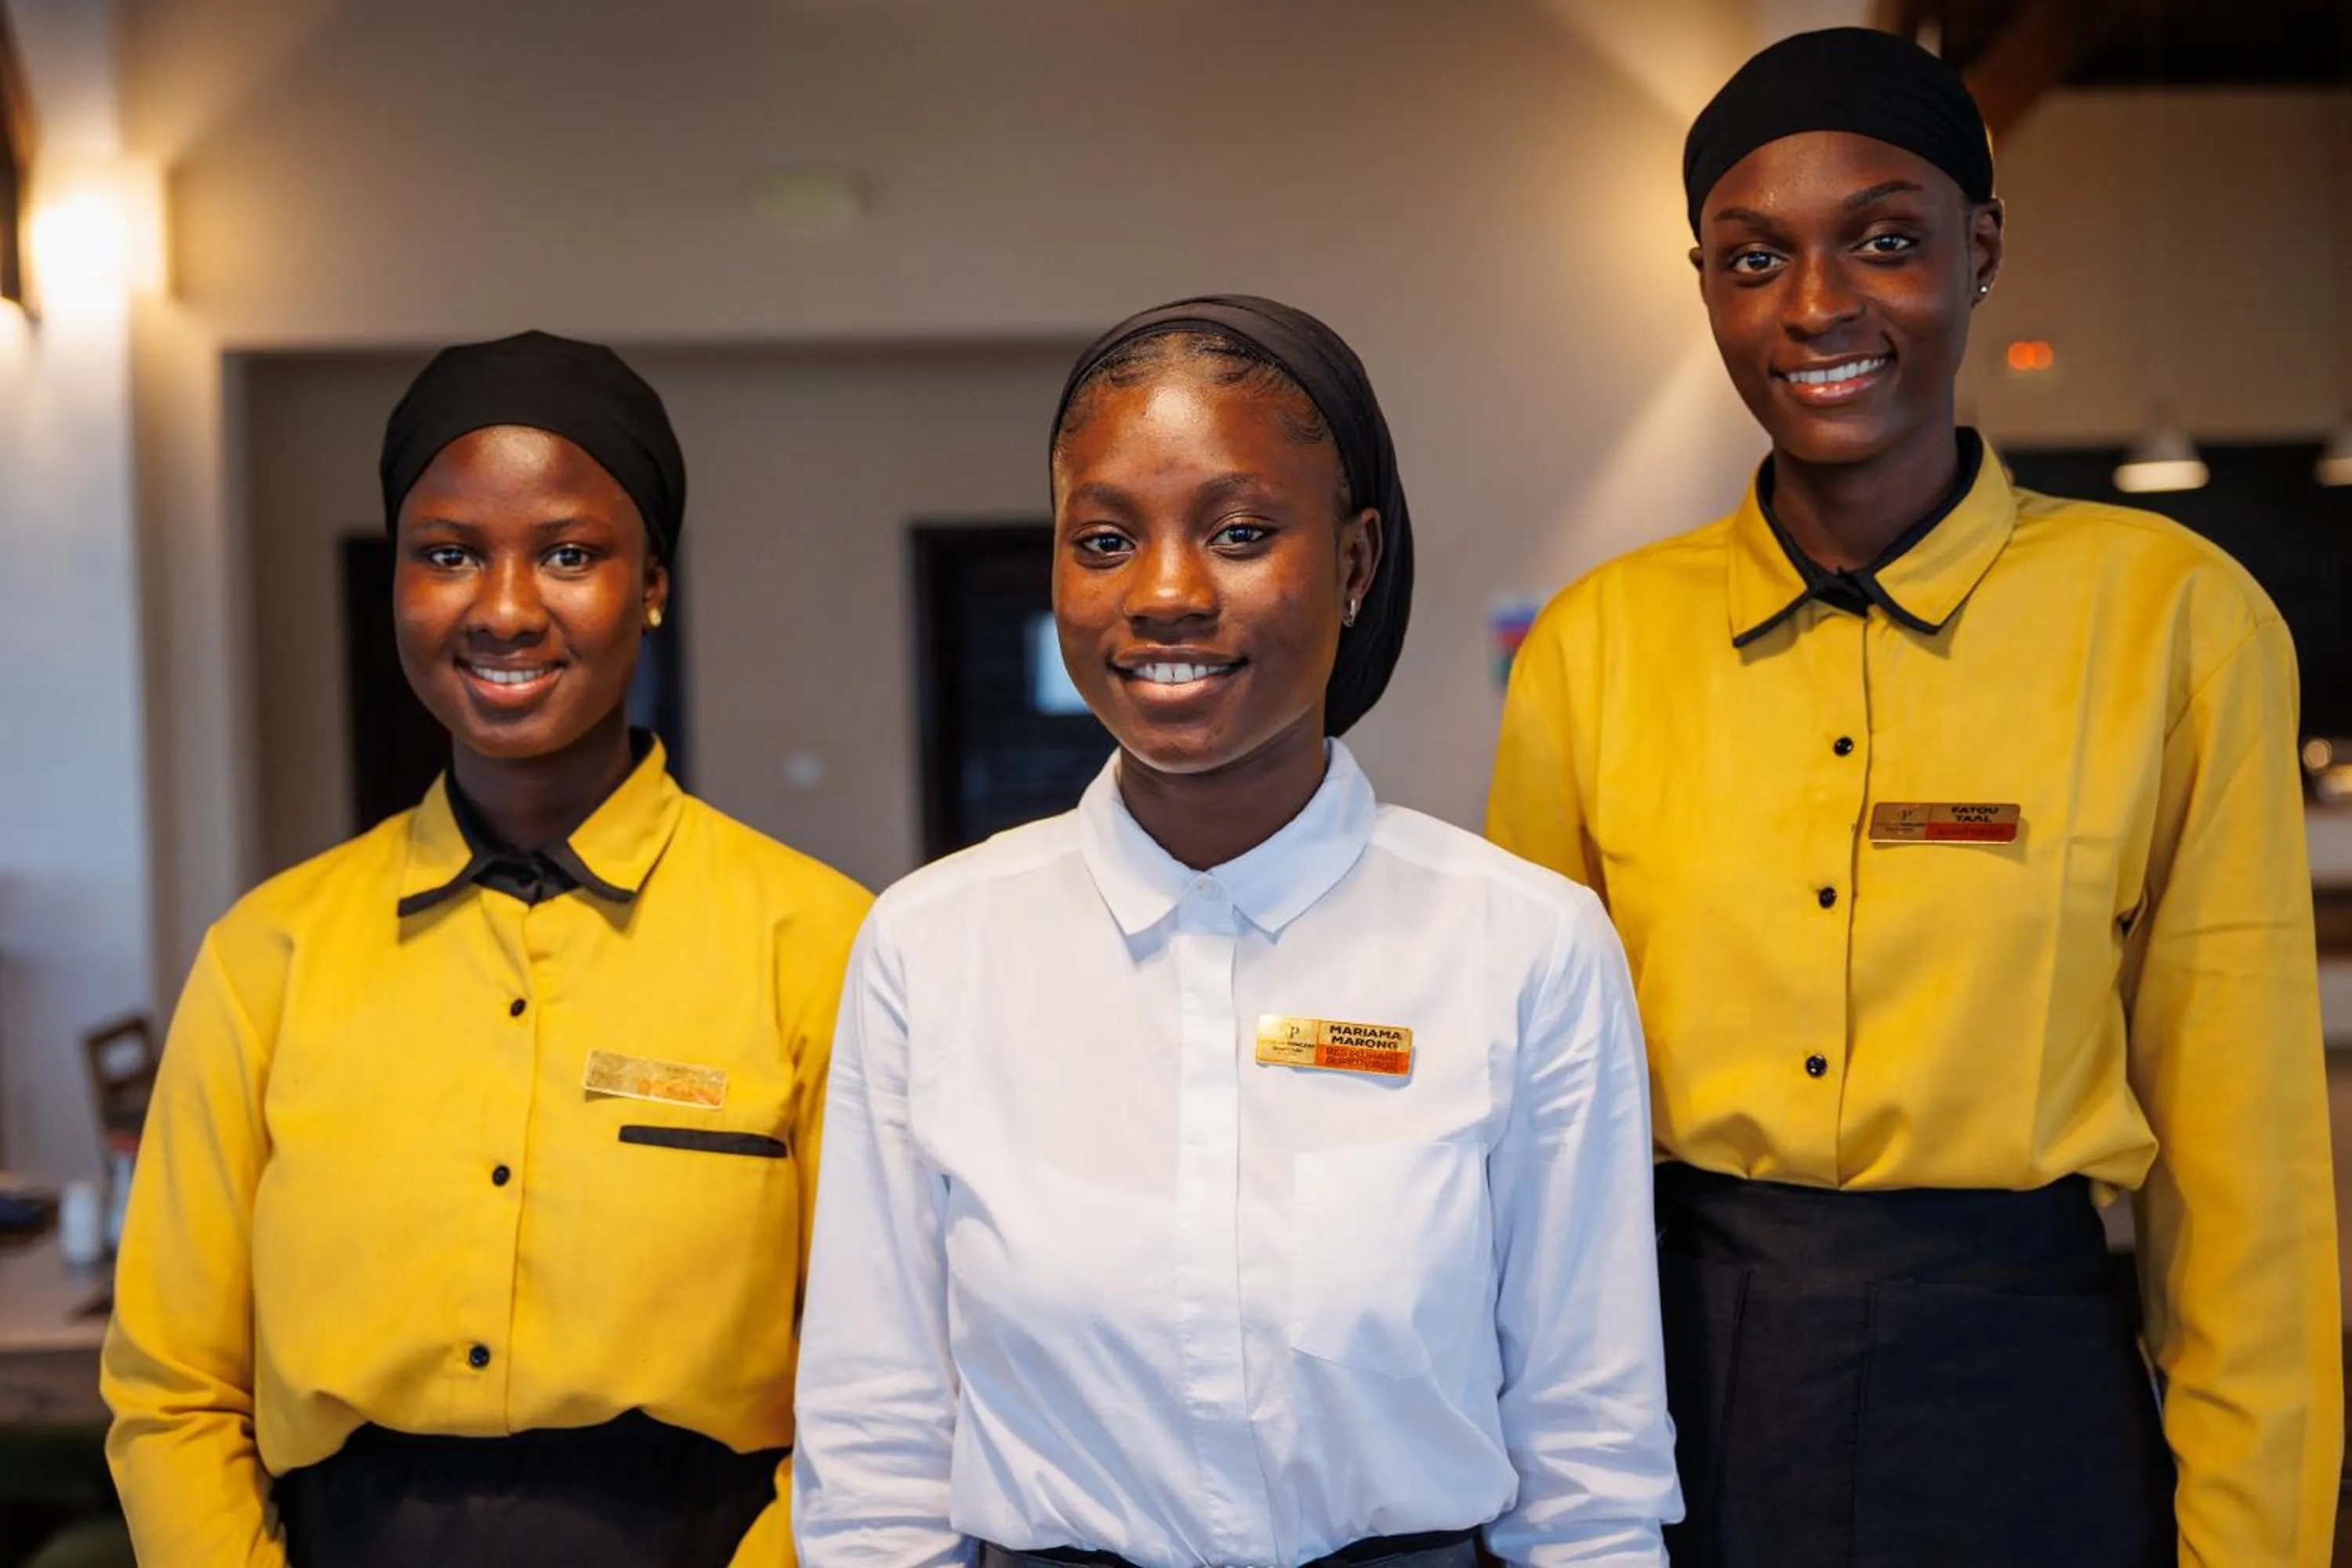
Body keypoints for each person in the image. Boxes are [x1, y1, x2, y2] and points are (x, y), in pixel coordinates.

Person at [1488, 27, 2339, 1568]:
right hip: (1677, 1407)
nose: (1817, 305)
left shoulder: (2175, 622)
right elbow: (1529, 1148)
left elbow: (2247, 1174)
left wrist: (2256, 1544)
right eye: (1755, 258)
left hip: (2029, 1404)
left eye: (1885, 240)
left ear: (1980, 248)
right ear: (1706, 286)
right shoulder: (1594, 648)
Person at [791, 296, 1679, 1568]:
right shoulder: (932, 950)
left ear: (1356, 561)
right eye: (1105, 540)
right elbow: (878, 1454)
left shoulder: (1524, 947)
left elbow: (1588, 1463)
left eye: (1242, 533)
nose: (1166, 593)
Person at [102, 331, 873, 1567]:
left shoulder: (820, 946)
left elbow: (876, 1387)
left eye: (568, 554)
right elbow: (173, 1391)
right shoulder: (268, 958)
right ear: (398, 582)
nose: (506, 609)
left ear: (652, 583)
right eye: (450, 554)